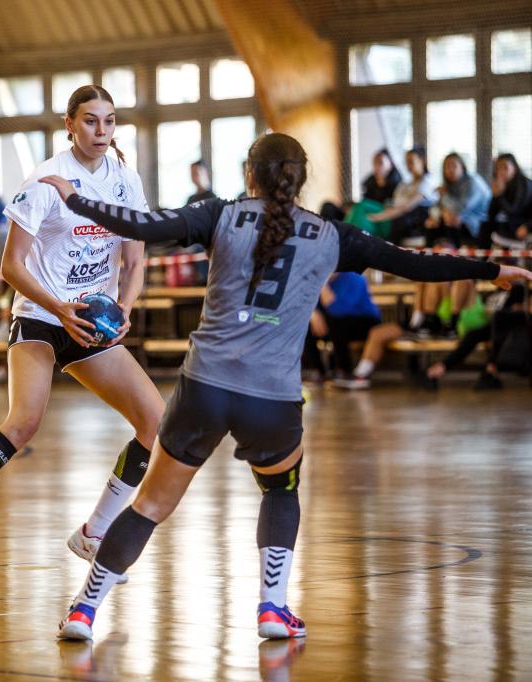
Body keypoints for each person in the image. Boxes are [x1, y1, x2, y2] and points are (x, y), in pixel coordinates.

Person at [38, 132, 531, 642]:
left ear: (249, 173)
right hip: (271, 400)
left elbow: (143, 225)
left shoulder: (219, 214)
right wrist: (491, 270)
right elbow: (415, 262)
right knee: (280, 489)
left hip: (203, 388)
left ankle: (83, 611)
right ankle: (272, 608)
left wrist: (74, 198)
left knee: (148, 507)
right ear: (300, 178)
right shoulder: (334, 235)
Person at [0, 84, 165, 576]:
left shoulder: (125, 180)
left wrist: (125, 308)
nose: (101, 130)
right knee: (24, 421)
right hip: (41, 315)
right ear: (69, 124)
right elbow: (11, 265)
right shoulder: (46, 180)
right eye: (90, 120)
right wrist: (58, 308)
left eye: (109, 121)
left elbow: (135, 261)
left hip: (90, 321)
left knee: (156, 424)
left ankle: (93, 533)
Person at [302, 273, 381, 381]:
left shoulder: (355, 278)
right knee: (306, 327)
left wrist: (322, 284)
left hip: (366, 322)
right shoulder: (327, 281)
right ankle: (318, 371)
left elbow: (337, 309)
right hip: (337, 324)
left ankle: (344, 371)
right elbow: (308, 305)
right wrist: (314, 314)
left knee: (336, 323)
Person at [366, 147, 438, 245]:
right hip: (398, 218)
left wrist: (379, 217)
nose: (408, 165)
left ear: (422, 161)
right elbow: (394, 204)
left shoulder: (428, 181)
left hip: (417, 223)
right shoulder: (405, 184)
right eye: (406, 162)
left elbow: (407, 207)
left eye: (411, 161)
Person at [424, 153, 491, 247]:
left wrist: (444, 196)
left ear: (462, 167)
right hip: (457, 220)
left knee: (451, 221)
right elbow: (437, 206)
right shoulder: (450, 184)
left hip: (477, 223)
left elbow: (461, 209)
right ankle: (431, 254)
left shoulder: (472, 183)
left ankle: (455, 254)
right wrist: (435, 216)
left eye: (454, 166)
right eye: (447, 167)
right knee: (431, 223)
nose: (450, 170)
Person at [479, 153, 532, 249]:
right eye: (498, 168)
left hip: (526, 223)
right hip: (512, 222)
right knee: (486, 225)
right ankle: (482, 256)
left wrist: (499, 195)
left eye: (505, 167)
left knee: (506, 225)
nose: (501, 172)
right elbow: (491, 214)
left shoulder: (524, 184)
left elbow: (514, 211)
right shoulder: (503, 184)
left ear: (514, 168)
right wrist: (495, 195)